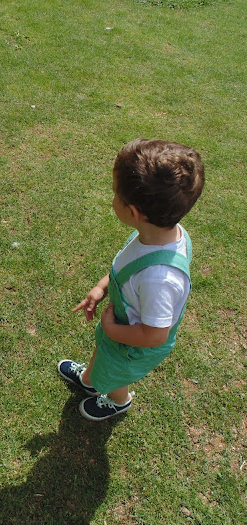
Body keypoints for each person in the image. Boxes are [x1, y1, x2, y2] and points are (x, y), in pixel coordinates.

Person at [58, 139, 205, 420]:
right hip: (120, 331)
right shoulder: (161, 233)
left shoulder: (158, 279)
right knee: (104, 355)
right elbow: (128, 267)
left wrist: (111, 329)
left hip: (131, 346)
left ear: (134, 212)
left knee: (116, 373)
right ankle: (90, 379)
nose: (112, 198)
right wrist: (102, 287)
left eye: (115, 193)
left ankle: (119, 400)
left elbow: (156, 334)